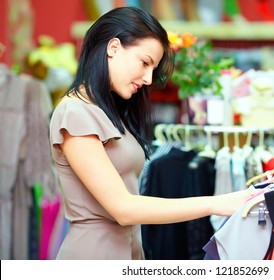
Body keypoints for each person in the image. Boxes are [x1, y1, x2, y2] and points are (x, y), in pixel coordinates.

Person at [49, 6, 261, 260]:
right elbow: (123, 208)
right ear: (113, 47)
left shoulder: (109, 112)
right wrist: (215, 203)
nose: (149, 79)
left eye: (153, 68)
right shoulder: (75, 113)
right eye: (145, 63)